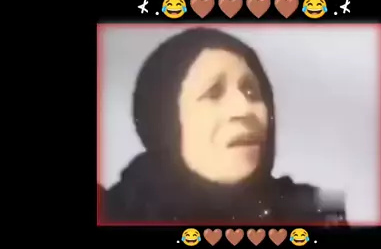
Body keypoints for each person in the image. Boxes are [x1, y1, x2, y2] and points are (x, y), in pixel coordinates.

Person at [100, 27, 347, 224]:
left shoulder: (317, 211)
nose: (245, 109)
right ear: (163, 120)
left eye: (252, 92)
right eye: (213, 92)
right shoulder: (112, 213)